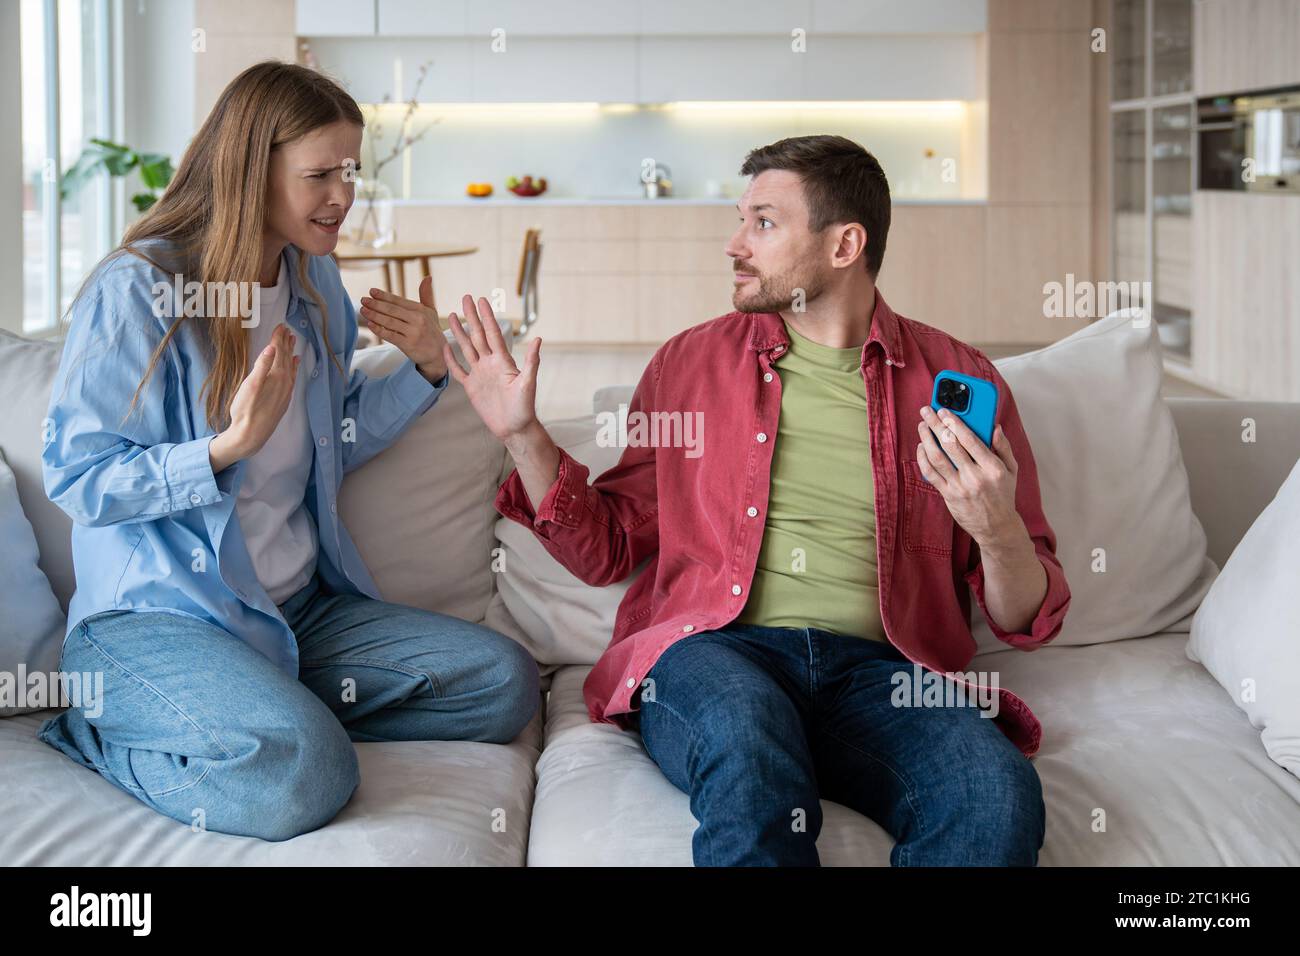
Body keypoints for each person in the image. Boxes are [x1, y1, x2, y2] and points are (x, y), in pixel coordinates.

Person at [447, 134, 1071, 866]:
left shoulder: (958, 378)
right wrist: (523, 434)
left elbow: (1024, 615)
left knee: (994, 795)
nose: (734, 244)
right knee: (748, 750)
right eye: (741, 219)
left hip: (888, 672)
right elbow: (609, 547)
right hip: (714, 652)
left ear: (844, 245)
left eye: (764, 223)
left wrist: (995, 527)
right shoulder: (691, 364)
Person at [38, 61, 539, 842]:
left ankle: (260, 705)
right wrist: (223, 448)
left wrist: (426, 369)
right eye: (319, 174)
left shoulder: (312, 283)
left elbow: (338, 433)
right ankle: (101, 727)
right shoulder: (137, 291)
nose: (343, 194)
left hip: (293, 613)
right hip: (159, 621)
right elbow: (79, 476)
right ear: (250, 170)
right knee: (306, 773)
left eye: (350, 171)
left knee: (503, 684)